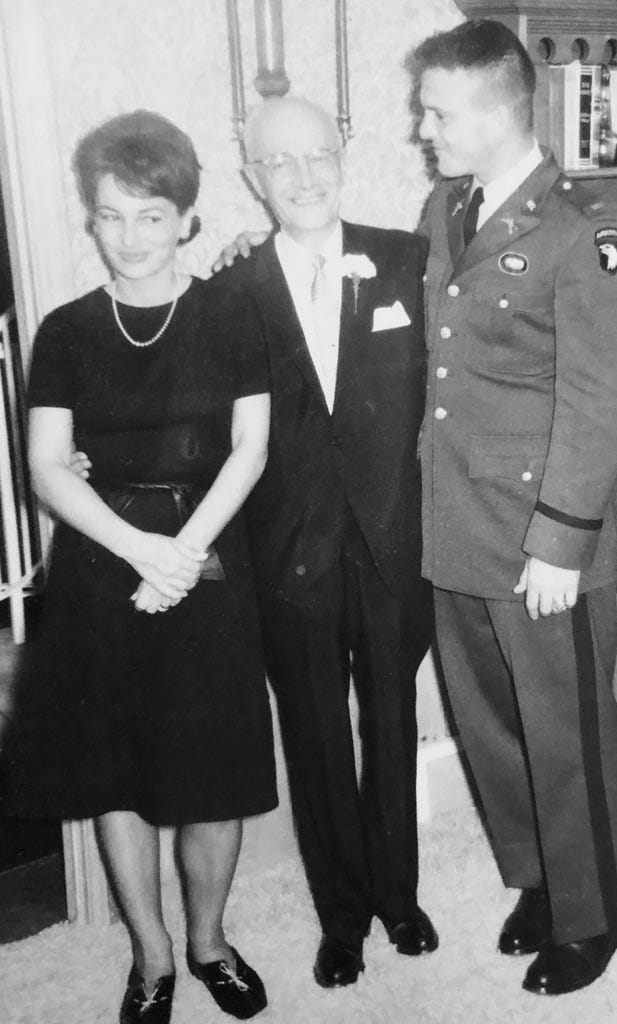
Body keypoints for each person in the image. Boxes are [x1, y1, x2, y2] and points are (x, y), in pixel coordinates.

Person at [3, 110, 276, 1024]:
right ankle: (152, 956)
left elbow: (250, 449)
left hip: (207, 556)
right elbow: (47, 465)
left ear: (186, 219)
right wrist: (141, 551)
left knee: (215, 771)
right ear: (92, 218)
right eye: (111, 214)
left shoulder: (234, 315)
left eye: (150, 215)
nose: (130, 236)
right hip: (102, 564)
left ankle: (209, 942)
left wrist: (185, 549)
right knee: (116, 773)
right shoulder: (68, 331)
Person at [408, 19, 617, 996]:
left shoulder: (582, 229)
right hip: (457, 515)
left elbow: (598, 398)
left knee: (566, 727)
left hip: (542, 530)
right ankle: (540, 879)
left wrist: (562, 543)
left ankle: (597, 916)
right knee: (492, 723)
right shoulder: (444, 205)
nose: (424, 128)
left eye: (438, 111)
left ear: (501, 111)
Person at [212, 95, 438, 989]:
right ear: (252, 179)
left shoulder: (409, 261)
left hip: (391, 543)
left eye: (317, 156)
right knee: (314, 740)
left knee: (393, 723)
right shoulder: (228, 292)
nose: (303, 177)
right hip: (290, 557)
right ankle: (341, 920)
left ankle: (400, 897)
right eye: (280, 163)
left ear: (343, 154)